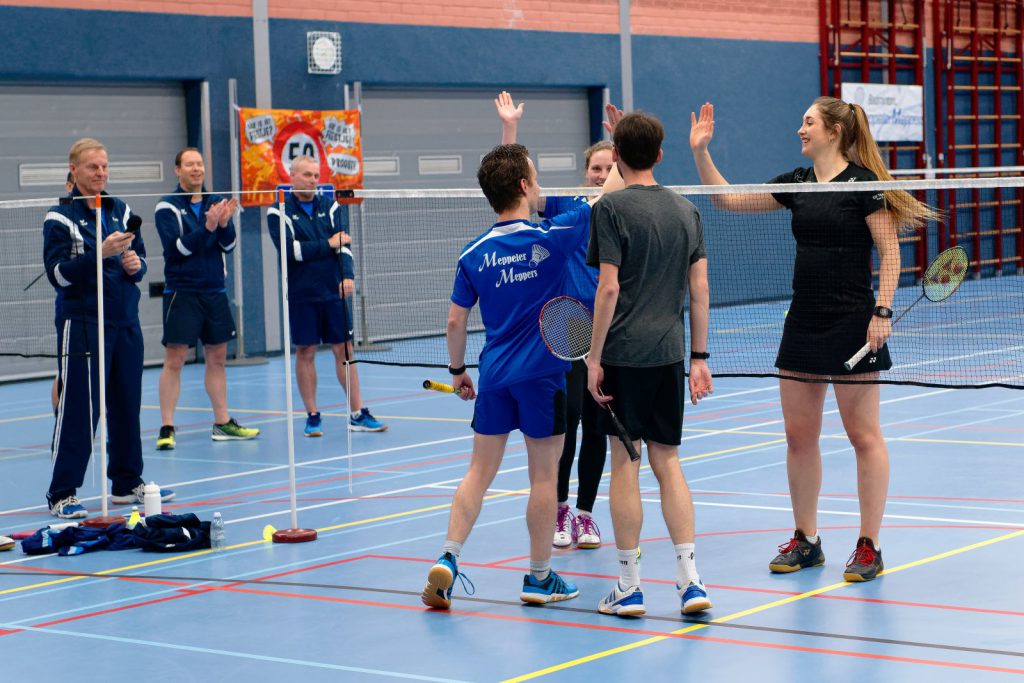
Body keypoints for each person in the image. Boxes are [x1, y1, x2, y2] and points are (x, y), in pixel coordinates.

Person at [689, 97, 939, 581]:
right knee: (798, 436)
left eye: (808, 122)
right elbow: (728, 200)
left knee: (863, 436)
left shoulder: (864, 186)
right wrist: (702, 152)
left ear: (833, 132)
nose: (799, 129)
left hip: (854, 323)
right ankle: (807, 540)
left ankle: (869, 546)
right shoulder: (798, 184)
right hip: (803, 321)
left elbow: (890, 254)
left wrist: (882, 311)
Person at [421, 105, 625, 610]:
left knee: (477, 473)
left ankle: (448, 557)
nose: (540, 186)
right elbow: (610, 193)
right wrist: (620, 145)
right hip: (543, 377)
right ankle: (538, 578)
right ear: (521, 185)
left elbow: (454, 321)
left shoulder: (472, 253)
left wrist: (457, 370)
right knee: (541, 477)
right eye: (534, 178)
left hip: (493, 376)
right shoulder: (554, 239)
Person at [587, 110, 713, 617]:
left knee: (626, 461)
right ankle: (690, 582)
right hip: (668, 354)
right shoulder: (687, 211)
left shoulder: (610, 208)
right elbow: (699, 289)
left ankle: (630, 586)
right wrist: (699, 358)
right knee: (668, 462)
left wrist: (594, 358)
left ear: (615, 157)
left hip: (621, 355)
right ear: (661, 155)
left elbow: (609, 287)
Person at [495, 92, 610, 550]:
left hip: (608, 330)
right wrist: (510, 131)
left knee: (600, 429)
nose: (601, 175)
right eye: (595, 168)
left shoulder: (624, 207)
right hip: (566, 330)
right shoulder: (566, 204)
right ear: (586, 172)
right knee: (570, 422)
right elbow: (516, 187)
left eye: (609, 167)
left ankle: (585, 514)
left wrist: (623, 142)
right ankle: (559, 509)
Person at [42, 138, 173, 519]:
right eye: (92, 167)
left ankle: (126, 482)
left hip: (125, 321)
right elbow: (57, 276)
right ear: (74, 170)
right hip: (83, 322)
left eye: (104, 166)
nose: (100, 173)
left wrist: (135, 265)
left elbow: (143, 261)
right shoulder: (60, 217)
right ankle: (62, 492)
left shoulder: (120, 209)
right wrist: (99, 254)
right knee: (80, 410)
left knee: (126, 405)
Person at [267, 155, 386, 435]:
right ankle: (312, 415)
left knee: (344, 349)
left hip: (333, 290)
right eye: (307, 175)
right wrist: (327, 244)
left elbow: (343, 245)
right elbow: (290, 252)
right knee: (305, 351)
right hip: (302, 293)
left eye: (315, 175)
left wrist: (347, 275)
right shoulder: (278, 211)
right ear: (292, 175)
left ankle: (357, 413)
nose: (312, 180)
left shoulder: (331, 205)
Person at [154, 147, 258, 450]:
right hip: (182, 292)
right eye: (189, 164)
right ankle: (167, 427)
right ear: (178, 170)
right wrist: (209, 227)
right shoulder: (167, 207)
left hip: (215, 291)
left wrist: (223, 224)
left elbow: (229, 246)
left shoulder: (217, 202)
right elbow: (177, 250)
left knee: (217, 358)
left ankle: (222, 422)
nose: (196, 169)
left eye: (199, 164)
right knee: (174, 360)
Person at [51, 172, 76, 414]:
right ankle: (61, 418)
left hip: (104, 309)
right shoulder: (60, 216)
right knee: (64, 370)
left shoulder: (106, 212)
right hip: (68, 307)